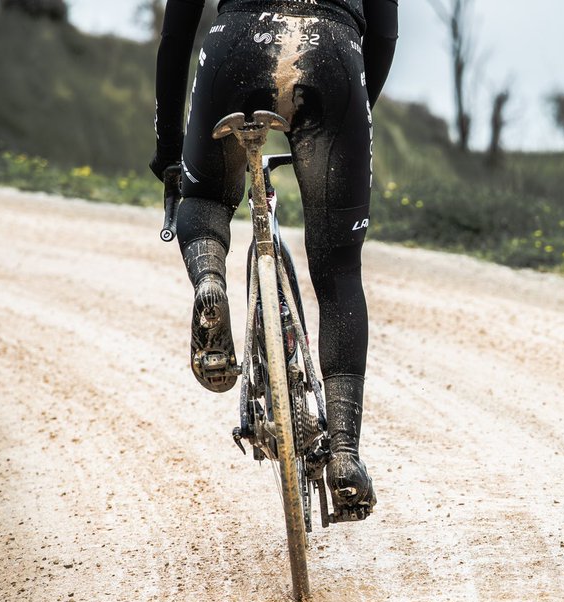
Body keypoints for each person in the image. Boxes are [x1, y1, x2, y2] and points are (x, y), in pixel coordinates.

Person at [150, 0, 399, 519]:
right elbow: (386, 33)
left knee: (206, 200)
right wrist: (354, 114)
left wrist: (169, 148)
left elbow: (176, 35)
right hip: (333, 50)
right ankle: (345, 453)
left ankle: (210, 281)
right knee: (338, 274)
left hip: (238, 41)